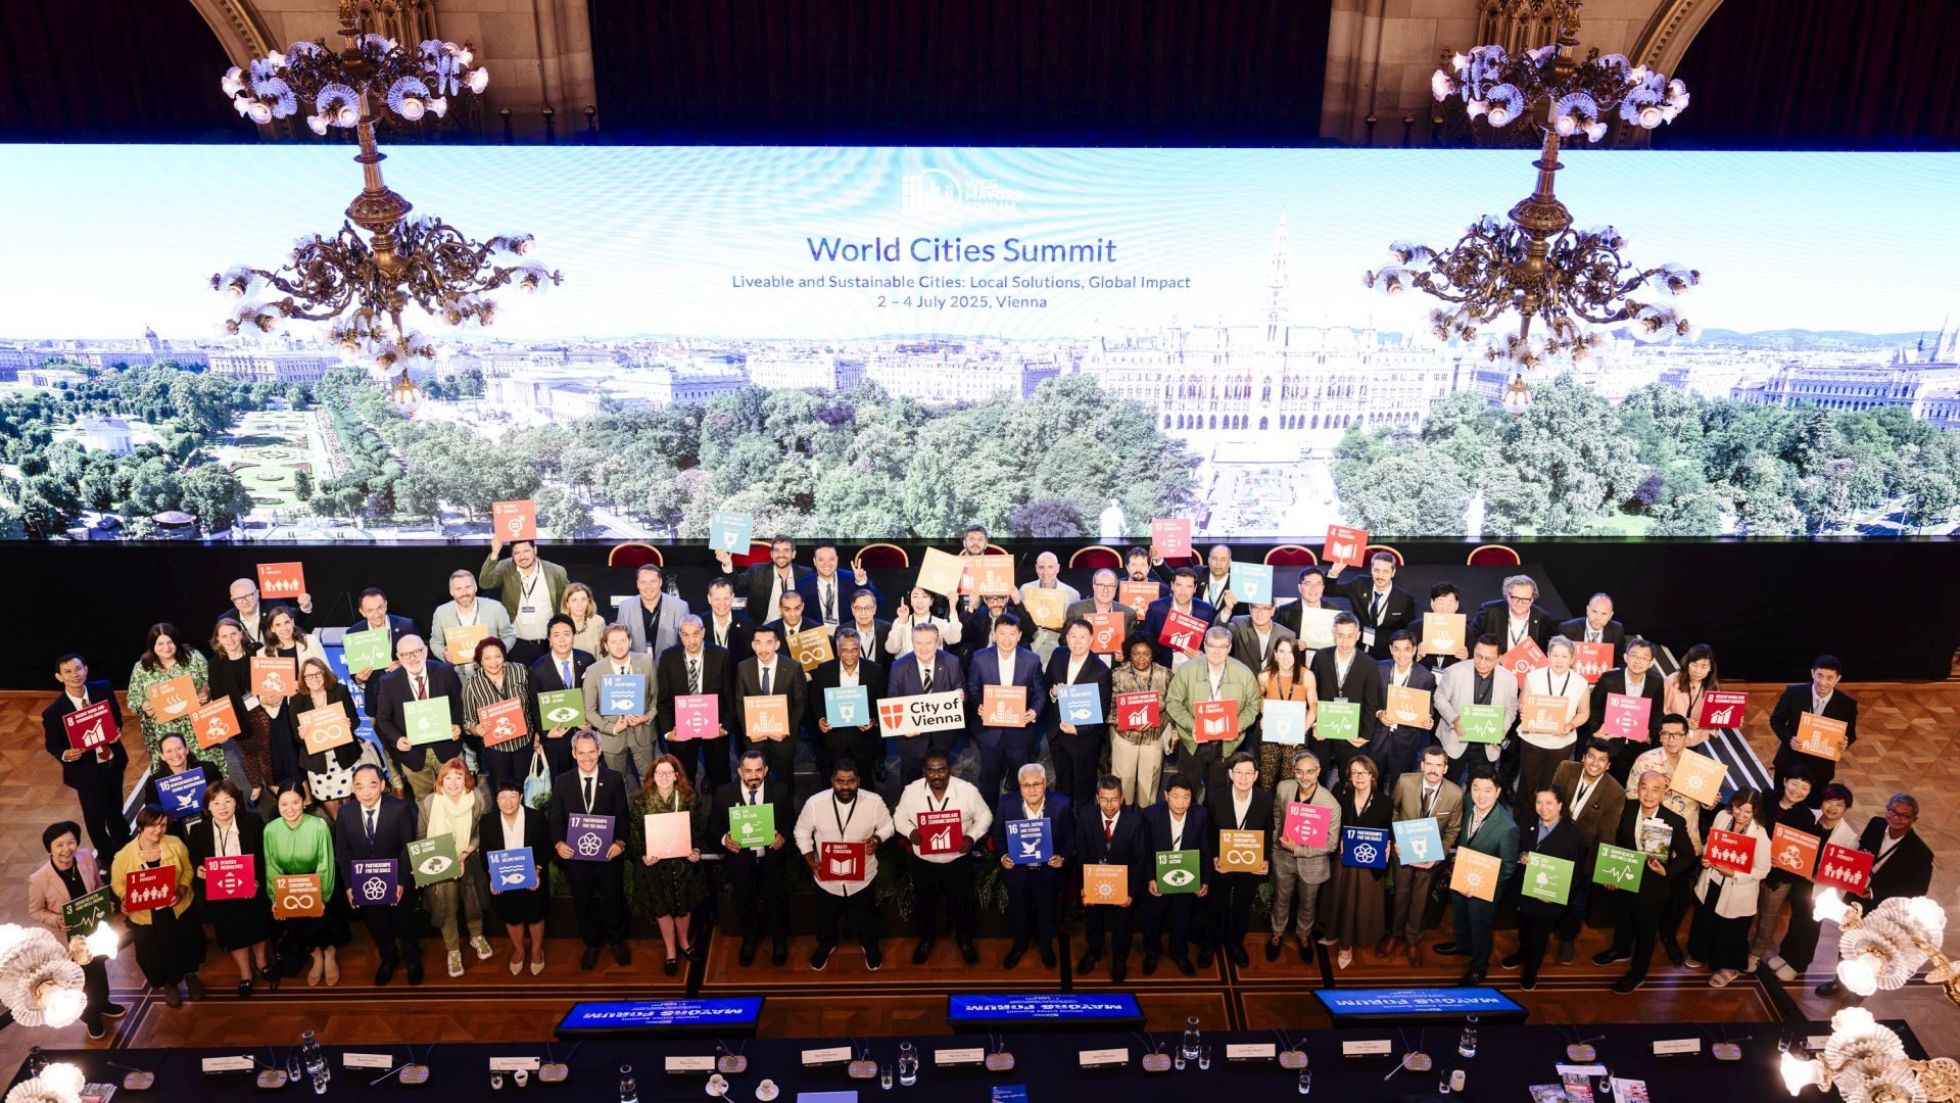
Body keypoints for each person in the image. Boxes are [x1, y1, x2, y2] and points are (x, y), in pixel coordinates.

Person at [1819, 792, 1936, 996]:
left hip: (1882, 911)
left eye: (1903, 816)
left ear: (1913, 819)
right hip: (1856, 899)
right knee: (1848, 942)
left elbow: (1917, 891)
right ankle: (1839, 980)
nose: (1895, 817)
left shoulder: (1920, 853)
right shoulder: (1876, 824)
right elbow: (1861, 849)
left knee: (1872, 953)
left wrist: (1874, 892)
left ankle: (1860, 992)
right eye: (1892, 811)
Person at [1593, 770, 1695, 993]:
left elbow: (1688, 855)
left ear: (1664, 792)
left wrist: (1667, 871)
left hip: (1652, 886)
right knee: (1623, 917)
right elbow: (1617, 842)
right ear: (1637, 788)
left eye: (1655, 789)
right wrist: (1611, 873)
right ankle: (1620, 950)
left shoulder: (1674, 821)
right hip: (1624, 876)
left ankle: (1638, 974)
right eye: (1644, 787)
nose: (1648, 794)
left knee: (1646, 931)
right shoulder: (1625, 809)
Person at [1628, 713, 1716, 961]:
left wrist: (1711, 800)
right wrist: (1657, 786)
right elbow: (1630, 794)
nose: (1671, 739)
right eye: (1666, 733)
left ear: (1686, 735)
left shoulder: (1699, 764)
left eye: (1677, 734)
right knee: (1643, 895)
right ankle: (1631, 940)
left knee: (1678, 898)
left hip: (1685, 841)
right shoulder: (1646, 760)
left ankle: (1668, 936)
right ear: (1660, 735)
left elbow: (1707, 803)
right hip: (1650, 838)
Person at [794, 759, 895, 971]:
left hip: (863, 876)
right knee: (826, 917)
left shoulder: (874, 801)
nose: (846, 787)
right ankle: (826, 944)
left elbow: (888, 826)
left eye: (851, 781)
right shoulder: (815, 803)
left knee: (866, 916)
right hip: (826, 878)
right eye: (840, 781)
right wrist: (811, 861)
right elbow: (801, 832)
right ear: (832, 781)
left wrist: (876, 839)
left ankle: (869, 945)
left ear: (858, 781)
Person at [28, 822, 126, 1038]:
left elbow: (99, 884)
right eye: (59, 845)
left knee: (99, 969)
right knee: (80, 977)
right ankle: (90, 1016)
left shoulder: (86, 857)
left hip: (94, 929)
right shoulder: (39, 879)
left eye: (71, 842)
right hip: (70, 938)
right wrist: (56, 920)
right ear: (49, 848)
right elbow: (35, 910)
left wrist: (105, 900)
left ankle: (103, 1003)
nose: (66, 849)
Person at [893, 749, 992, 965]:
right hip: (925, 862)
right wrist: (910, 832)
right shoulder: (912, 791)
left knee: (963, 903)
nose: (937, 775)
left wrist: (971, 836)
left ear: (949, 769)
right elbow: (899, 817)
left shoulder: (966, 790)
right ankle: (926, 940)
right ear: (924, 771)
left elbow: (985, 815)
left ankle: (965, 941)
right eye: (931, 770)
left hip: (957, 860)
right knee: (925, 903)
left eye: (942, 769)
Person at [335, 763, 423, 985]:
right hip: (364, 883)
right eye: (360, 787)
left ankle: (413, 959)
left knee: (405, 923)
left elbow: (407, 846)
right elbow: (343, 852)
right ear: (353, 789)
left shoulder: (400, 808)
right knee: (377, 925)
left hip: (397, 880)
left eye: (372, 785)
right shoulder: (345, 813)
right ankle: (388, 959)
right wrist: (349, 885)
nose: (366, 792)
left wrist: (402, 881)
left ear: (382, 785)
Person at [550, 731, 632, 970]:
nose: (587, 758)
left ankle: (617, 941)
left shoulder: (614, 778)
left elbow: (623, 817)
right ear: (574, 754)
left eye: (592, 752)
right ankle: (591, 944)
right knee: (583, 903)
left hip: (608, 854)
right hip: (576, 858)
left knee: (613, 899)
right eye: (582, 753)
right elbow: (555, 819)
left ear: (600, 752)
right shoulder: (562, 781)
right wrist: (558, 844)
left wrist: (620, 842)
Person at [1765, 783, 1858, 985]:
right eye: (1829, 802)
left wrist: (1821, 877)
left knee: (1811, 924)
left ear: (1846, 808)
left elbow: (1843, 871)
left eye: (1839, 805)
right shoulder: (1809, 816)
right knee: (1796, 917)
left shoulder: (1849, 837)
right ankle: (1785, 953)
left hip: (1821, 888)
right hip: (1798, 879)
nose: (1832, 808)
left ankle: (1799, 963)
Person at [111, 806, 204, 1007]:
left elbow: (188, 869)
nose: (158, 830)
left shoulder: (175, 843)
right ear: (141, 827)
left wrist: (180, 889)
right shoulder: (123, 856)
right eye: (152, 825)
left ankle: (190, 975)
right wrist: (125, 899)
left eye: (162, 825)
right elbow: (117, 884)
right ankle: (167, 984)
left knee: (186, 942)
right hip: (145, 915)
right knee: (153, 951)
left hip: (177, 907)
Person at [187, 779, 273, 997]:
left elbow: (265, 856)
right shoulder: (198, 831)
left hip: (251, 889)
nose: (223, 807)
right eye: (216, 803)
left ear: (237, 803)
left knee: (257, 924)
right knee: (232, 930)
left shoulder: (252, 822)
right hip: (220, 893)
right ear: (207, 807)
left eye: (228, 801)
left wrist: (259, 882)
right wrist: (199, 871)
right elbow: (195, 860)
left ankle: (262, 961)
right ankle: (246, 973)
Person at [42, 653, 130, 856]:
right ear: (59, 677)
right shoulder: (53, 712)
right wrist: (64, 754)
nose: (75, 675)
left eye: (78, 669)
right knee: (95, 819)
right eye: (68, 672)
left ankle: (126, 846)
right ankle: (107, 858)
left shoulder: (104, 688)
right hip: (85, 773)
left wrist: (116, 729)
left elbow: (115, 716)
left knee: (116, 810)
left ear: (86, 670)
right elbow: (52, 744)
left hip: (113, 762)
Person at [1438, 767, 1517, 985]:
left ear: (1498, 792)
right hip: (1461, 876)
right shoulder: (1468, 802)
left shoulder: (1507, 827)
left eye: (1488, 791)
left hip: (1484, 888)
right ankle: (1462, 944)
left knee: (1480, 926)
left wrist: (1481, 886)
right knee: (1460, 916)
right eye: (1476, 789)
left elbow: (1508, 867)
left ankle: (1479, 967)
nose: (1480, 795)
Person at [630, 753, 707, 976]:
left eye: (668, 772)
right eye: (659, 772)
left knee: (684, 906)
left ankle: (684, 943)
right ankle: (671, 951)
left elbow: (699, 830)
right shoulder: (640, 802)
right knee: (662, 909)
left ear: (676, 776)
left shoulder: (689, 798)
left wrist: (697, 851)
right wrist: (643, 855)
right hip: (656, 868)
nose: (663, 776)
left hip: (684, 865)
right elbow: (633, 837)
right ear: (652, 776)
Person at [1387, 744, 1463, 965]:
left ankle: (1412, 940)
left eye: (1438, 765)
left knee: (1419, 901)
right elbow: (1392, 810)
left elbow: (1453, 829)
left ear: (1445, 769)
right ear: (1421, 765)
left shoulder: (1455, 794)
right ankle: (1394, 935)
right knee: (1400, 896)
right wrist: (1396, 840)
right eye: (1428, 764)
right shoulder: (1405, 781)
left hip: (1430, 856)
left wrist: (1438, 855)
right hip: (1402, 851)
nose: (1433, 769)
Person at [1504, 786, 1586, 990]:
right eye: (1539, 802)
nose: (1543, 808)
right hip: (1523, 890)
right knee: (1523, 927)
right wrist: (1520, 856)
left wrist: (1558, 896)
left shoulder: (1573, 835)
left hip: (1548, 898)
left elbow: (1576, 873)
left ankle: (1531, 971)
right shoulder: (1526, 821)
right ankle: (1522, 954)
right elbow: (1516, 847)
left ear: (1560, 805)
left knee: (1539, 935)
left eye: (1549, 803)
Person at [1687, 788, 1771, 987]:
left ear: (1755, 812)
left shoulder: (1759, 834)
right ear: (1732, 804)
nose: (1741, 815)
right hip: (1713, 881)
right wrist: (1707, 858)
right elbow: (1711, 844)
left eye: (1747, 812)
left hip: (1736, 889)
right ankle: (1700, 953)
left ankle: (1729, 967)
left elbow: (1762, 870)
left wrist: (1734, 873)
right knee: (1705, 919)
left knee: (1730, 930)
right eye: (1738, 809)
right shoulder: (1722, 816)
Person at [994, 763, 1074, 969]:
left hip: (1048, 871)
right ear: (1019, 786)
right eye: (1025, 785)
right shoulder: (1007, 803)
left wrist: (1062, 857)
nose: (1031, 789)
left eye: (1036, 784)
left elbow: (1069, 837)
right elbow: (998, 835)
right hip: (1018, 871)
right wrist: (1003, 855)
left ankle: (1045, 947)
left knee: (1046, 910)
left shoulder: (1062, 803)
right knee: (1019, 911)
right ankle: (1019, 946)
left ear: (1045, 783)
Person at [1165, 626, 1262, 797]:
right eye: (1212, 646)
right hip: (1193, 741)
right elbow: (1173, 702)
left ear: (1230, 648)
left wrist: (1237, 725)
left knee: (1218, 794)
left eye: (1222, 647)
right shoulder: (1187, 670)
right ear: (1205, 645)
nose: (1217, 652)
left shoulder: (1243, 672)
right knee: (1187, 791)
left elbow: (1254, 704)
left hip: (1226, 744)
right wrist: (1192, 724)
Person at [715, 749, 791, 966]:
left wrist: (782, 837)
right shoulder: (724, 793)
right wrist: (724, 840)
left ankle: (778, 940)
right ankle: (748, 940)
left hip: (771, 859)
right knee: (745, 902)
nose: (753, 775)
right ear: (740, 771)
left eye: (758, 770)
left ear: (766, 770)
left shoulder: (781, 791)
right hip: (740, 862)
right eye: (748, 771)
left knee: (775, 901)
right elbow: (712, 827)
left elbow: (790, 821)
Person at [419, 758, 493, 978]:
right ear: (440, 780)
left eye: (458, 777)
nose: (453, 783)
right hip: (438, 863)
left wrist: (464, 854)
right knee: (446, 908)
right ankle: (453, 951)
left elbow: (481, 833)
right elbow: (422, 836)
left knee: (473, 902)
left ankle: (477, 936)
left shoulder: (477, 799)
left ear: (466, 779)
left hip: (467, 858)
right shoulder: (429, 803)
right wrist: (432, 864)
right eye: (448, 777)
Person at [1551, 739, 1625, 958]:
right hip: (1555, 841)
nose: (1595, 763)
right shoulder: (1566, 769)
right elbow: (1550, 800)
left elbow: (1607, 833)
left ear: (1608, 765)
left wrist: (1607, 868)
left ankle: (1567, 939)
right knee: (1546, 891)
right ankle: (1545, 928)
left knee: (1577, 902)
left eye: (1602, 760)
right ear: (1583, 757)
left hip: (1585, 853)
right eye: (1591, 757)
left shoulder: (1615, 792)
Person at [263, 786, 342, 987]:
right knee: (299, 926)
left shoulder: (319, 825)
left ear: (304, 802)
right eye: (284, 804)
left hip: (320, 880)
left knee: (324, 921)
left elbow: (326, 861)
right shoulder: (270, 830)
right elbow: (271, 864)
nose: (290, 809)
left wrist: (320, 896)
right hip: (288, 884)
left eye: (295, 802)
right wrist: (276, 898)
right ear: (278, 805)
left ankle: (329, 953)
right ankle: (316, 956)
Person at [371, 634, 464, 802]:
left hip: (448, 747)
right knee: (424, 801)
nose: (412, 658)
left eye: (416, 652)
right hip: (413, 754)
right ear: (398, 657)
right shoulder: (388, 682)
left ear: (425, 651)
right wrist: (397, 739)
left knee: (458, 797)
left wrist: (457, 725)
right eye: (405, 654)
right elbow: (383, 718)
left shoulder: (445, 672)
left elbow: (458, 703)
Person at [1270, 748, 1340, 963]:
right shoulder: (1284, 788)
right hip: (1283, 858)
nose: (1304, 776)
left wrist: (1298, 850)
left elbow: (1331, 843)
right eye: (1299, 771)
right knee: (1281, 899)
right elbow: (1277, 817)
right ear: (1294, 771)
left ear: (1318, 771)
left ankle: (1303, 936)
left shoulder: (1330, 804)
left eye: (1310, 771)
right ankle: (1276, 934)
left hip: (1313, 863)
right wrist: (1277, 843)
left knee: (1308, 904)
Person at [1203, 752, 1272, 968]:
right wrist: (1214, 857)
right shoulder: (1215, 797)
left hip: (1249, 864)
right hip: (1222, 863)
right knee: (1216, 904)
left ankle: (1235, 944)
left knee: (1242, 905)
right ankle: (1210, 944)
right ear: (1231, 774)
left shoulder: (1264, 799)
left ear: (1256, 775)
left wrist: (1265, 859)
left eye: (1248, 773)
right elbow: (1208, 832)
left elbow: (1268, 831)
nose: (1243, 778)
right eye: (1239, 772)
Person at [967, 613, 1046, 800]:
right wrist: (979, 705)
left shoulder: (1032, 660)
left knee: (1021, 781)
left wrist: (1034, 711)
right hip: (989, 731)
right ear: (994, 634)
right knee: (989, 779)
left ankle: (1018, 818)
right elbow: (972, 688)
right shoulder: (980, 658)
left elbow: (1040, 692)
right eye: (1002, 633)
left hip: (1020, 732)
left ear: (1019, 636)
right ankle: (989, 819)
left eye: (1012, 634)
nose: (1007, 639)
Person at [1076, 774, 1146, 982]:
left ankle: (1119, 960)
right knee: (1094, 922)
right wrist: (1083, 887)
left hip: (1122, 887)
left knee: (1122, 925)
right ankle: (1093, 952)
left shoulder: (1135, 821)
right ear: (1097, 798)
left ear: (1122, 798)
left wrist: (1131, 893)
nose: (1109, 805)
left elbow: (1139, 859)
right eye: (1104, 799)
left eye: (1114, 799)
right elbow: (1081, 853)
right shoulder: (1085, 816)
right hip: (1094, 884)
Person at [1140, 776, 1213, 976]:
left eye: (1186, 797)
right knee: (1153, 919)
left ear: (1192, 798)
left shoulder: (1200, 815)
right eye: (1176, 797)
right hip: (1158, 878)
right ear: (1166, 796)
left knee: (1182, 918)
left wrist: (1205, 880)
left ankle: (1180, 953)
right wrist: (1150, 878)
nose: (1181, 802)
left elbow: (1206, 849)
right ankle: (1152, 953)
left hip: (1187, 878)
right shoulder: (1150, 815)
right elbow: (1144, 851)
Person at [656, 615, 736, 792]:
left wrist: (725, 728)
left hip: (714, 729)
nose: (691, 640)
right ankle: (688, 816)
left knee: (721, 778)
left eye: (696, 634)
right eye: (686, 635)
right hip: (681, 731)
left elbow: (730, 697)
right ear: (680, 635)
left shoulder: (720, 655)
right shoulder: (668, 657)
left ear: (703, 632)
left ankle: (720, 816)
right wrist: (669, 733)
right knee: (683, 781)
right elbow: (663, 701)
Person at [1748, 768, 1815, 977]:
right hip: (1751, 866)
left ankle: (1755, 954)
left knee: (1768, 917)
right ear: (1785, 781)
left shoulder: (1806, 816)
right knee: (1744, 909)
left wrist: (1784, 863)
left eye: (1805, 787)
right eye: (1795, 783)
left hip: (1779, 876)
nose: (1798, 790)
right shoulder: (1767, 797)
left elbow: (1802, 852)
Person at [480, 777, 550, 976]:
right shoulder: (487, 822)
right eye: (503, 797)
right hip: (504, 880)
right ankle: (519, 950)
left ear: (521, 797)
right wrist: (492, 876)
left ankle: (536, 950)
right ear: (496, 799)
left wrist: (537, 870)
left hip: (532, 879)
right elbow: (485, 853)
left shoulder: (536, 818)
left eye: (513, 796)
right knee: (511, 917)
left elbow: (546, 848)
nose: (508, 802)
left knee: (535, 916)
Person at [128, 622, 217, 777]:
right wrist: (143, 705)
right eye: (160, 643)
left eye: (170, 642)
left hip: (198, 727)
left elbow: (213, 681)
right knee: (175, 780)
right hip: (164, 733)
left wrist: (206, 692)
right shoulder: (142, 667)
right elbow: (132, 700)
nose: (166, 647)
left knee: (207, 772)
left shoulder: (193, 657)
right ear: (152, 645)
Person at [1327, 754, 1390, 970]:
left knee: (1359, 899)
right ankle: (1335, 934)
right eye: (1354, 773)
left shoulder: (1384, 802)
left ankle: (1347, 946)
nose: (1358, 777)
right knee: (1338, 898)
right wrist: (1338, 841)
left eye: (1363, 772)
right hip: (1343, 859)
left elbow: (1387, 832)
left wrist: (1389, 844)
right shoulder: (1340, 794)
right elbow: (1332, 824)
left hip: (1368, 863)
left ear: (1372, 775)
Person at [1517, 636, 1591, 813]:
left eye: (1564, 656)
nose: (1559, 660)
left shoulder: (1580, 682)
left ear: (1572, 659)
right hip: (1532, 739)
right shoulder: (1533, 676)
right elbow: (1521, 703)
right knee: (1527, 784)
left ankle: (1544, 820)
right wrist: (1524, 711)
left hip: (1561, 742)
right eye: (1555, 655)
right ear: (1548, 655)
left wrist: (1571, 725)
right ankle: (1521, 821)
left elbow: (1584, 712)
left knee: (1551, 785)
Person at [1770, 655, 1858, 804]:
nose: (1823, 682)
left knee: (1809, 811)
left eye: (1829, 678)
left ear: (1838, 679)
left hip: (1820, 770)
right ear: (1812, 673)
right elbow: (1776, 721)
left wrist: (1845, 743)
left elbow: (1850, 734)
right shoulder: (1793, 692)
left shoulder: (1847, 704)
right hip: (1789, 762)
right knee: (1778, 804)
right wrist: (1790, 739)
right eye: (1819, 676)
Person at [1045, 619, 1113, 808]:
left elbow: (1103, 709)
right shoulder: (1058, 655)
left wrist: (1078, 729)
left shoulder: (1100, 670)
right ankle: (1064, 827)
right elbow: (1045, 682)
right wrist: (1052, 693)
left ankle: (1084, 831)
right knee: (1062, 787)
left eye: (1083, 637)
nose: (1077, 642)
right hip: (1057, 734)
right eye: (1073, 636)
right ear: (1066, 637)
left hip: (1083, 739)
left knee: (1083, 790)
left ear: (1092, 639)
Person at [886, 623, 965, 785]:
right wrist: (902, 728)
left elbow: (961, 688)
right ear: (912, 642)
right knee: (910, 782)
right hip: (911, 740)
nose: (923, 648)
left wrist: (961, 695)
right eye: (918, 643)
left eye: (928, 643)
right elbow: (892, 701)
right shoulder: (898, 666)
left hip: (943, 737)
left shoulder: (952, 662)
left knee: (941, 781)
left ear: (937, 643)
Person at [1309, 614, 1384, 783]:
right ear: (1333, 634)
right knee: (1317, 775)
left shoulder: (1369, 664)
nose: (1345, 642)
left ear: (1358, 635)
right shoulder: (1321, 657)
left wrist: (1365, 735)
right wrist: (1314, 724)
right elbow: (1312, 695)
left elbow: (1371, 702)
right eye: (1340, 636)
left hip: (1352, 732)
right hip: (1323, 728)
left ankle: (1343, 808)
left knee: (1348, 778)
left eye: (1350, 636)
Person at [1434, 635, 1518, 784]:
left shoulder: (1509, 678)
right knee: (1448, 785)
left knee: (1480, 788)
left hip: (1487, 746)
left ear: (1499, 658)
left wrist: (1503, 728)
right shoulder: (1454, 671)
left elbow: (1511, 708)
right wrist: (1454, 719)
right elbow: (1439, 698)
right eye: (1478, 656)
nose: (1482, 663)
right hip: (1455, 739)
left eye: (1489, 659)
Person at [284, 658, 362, 818]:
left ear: (325, 673)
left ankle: (346, 821)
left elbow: (355, 720)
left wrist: (349, 724)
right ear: (303, 679)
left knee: (345, 793)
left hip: (343, 754)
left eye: (318, 674)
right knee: (328, 796)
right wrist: (301, 735)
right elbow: (295, 736)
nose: (314, 679)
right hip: (318, 759)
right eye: (309, 676)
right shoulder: (297, 700)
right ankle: (338, 823)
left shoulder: (340, 691)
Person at [478, 535, 570, 666]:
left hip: (548, 644)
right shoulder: (506, 567)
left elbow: (568, 601)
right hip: (518, 645)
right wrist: (494, 553)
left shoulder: (555, 572)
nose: (522, 557)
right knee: (520, 683)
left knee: (549, 685)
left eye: (526, 551)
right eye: (517, 553)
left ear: (535, 550)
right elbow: (485, 583)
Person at [582, 624, 657, 784]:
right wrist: (613, 728)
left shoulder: (646, 663)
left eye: (623, 640)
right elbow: (589, 711)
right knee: (616, 782)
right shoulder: (594, 671)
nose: (619, 646)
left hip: (642, 733)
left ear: (630, 641)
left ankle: (648, 809)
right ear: (605, 645)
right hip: (611, 737)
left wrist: (646, 717)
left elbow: (656, 698)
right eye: (614, 641)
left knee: (649, 779)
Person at [811, 626, 887, 784]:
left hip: (864, 738)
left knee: (865, 781)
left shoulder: (875, 670)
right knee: (832, 781)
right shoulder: (824, 670)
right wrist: (820, 719)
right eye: (845, 650)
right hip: (833, 738)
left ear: (859, 649)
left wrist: (873, 721)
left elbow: (881, 701)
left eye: (854, 649)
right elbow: (815, 699)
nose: (850, 654)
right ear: (837, 651)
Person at [204, 617, 268, 801]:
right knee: (247, 754)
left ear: (241, 633)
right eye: (224, 636)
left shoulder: (257, 652)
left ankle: (272, 783)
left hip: (263, 709)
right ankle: (256, 786)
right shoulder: (215, 664)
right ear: (218, 640)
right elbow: (218, 696)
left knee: (266, 751)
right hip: (236, 714)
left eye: (233, 633)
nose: (230, 639)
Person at [1583, 636, 1664, 780]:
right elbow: (1594, 707)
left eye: (1644, 658)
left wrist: (1650, 733)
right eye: (1634, 655)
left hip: (1637, 747)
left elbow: (1657, 713)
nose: (1638, 661)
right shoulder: (1609, 678)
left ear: (1651, 662)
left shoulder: (1656, 682)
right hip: (1608, 744)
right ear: (1626, 657)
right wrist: (1597, 731)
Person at [733, 625, 805, 786]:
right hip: (755, 738)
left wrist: (786, 730)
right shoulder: (743, 668)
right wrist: (748, 731)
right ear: (753, 645)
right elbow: (739, 702)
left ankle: (786, 810)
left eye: (768, 643)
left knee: (785, 780)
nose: (763, 648)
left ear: (777, 644)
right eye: (758, 643)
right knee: (755, 782)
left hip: (783, 738)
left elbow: (800, 704)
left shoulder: (793, 667)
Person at [462, 636, 535, 791]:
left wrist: (538, 734)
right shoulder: (473, 685)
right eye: (487, 658)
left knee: (526, 788)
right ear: (480, 661)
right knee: (502, 790)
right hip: (496, 750)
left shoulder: (520, 671)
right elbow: (467, 720)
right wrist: (476, 730)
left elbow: (534, 703)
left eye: (498, 656)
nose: (494, 662)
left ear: (504, 656)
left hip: (524, 743)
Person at [529, 613, 597, 779]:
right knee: (560, 782)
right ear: (549, 639)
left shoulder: (587, 660)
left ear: (573, 636)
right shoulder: (537, 669)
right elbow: (534, 705)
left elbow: (597, 694)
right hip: (556, 736)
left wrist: (591, 719)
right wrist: (545, 732)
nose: (562, 640)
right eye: (556, 635)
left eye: (567, 634)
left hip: (584, 734)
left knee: (588, 777)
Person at [1110, 637, 1171, 806]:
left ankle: (1147, 820)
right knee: (1123, 782)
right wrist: (1128, 722)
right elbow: (1108, 708)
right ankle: (1125, 819)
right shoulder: (1117, 675)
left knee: (1148, 786)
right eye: (1135, 653)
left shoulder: (1165, 674)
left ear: (1152, 655)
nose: (1141, 658)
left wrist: (1157, 720)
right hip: (1124, 737)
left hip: (1153, 738)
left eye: (1146, 654)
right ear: (1129, 654)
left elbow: (1172, 707)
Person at [1373, 630, 1437, 782]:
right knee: (1374, 780)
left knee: (1399, 783)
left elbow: (1428, 707)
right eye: (1397, 649)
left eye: (1407, 649)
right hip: (1378, 736)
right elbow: (1370, 700)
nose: (1401, 655)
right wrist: (1379, 713)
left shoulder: (1425, 677)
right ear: (1391, 649)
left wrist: (1428, 719)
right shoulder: (1378, 669)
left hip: (1406, 740)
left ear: (1414, 650)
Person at [1326, 551, 1416, 659]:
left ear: (1393, 573)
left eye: (1385, 572)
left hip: (1386, 656)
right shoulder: (1359, 584)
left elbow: (1408, 633)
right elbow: (1329, 591)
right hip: (1357, 651)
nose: (1380, 576)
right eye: (1376, 570)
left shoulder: (1405, 600)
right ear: (1371, 570)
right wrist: (1334, 571)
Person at [345, 588, 417, 722]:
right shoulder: (354, 633)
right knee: (386, 742)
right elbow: (352, 668)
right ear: (361, 611)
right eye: (370, 610)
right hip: (377, 703)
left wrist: (404, 663)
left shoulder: (406, 625)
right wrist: (359, 679)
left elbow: (422, 656)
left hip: (409, 697)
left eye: (379, 608)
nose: (376, 614)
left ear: (386, 605)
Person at [1258, 636, 1317, 791]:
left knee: (1289, 783)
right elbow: (1259, 699)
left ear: (1297, 655)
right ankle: (1266, 814)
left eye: (1291, 652)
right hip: (1271, 733)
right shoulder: (1264, 676)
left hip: (1296, 735)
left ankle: (1285, 814)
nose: (1286, 657)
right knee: (1266, 781)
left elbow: (1314, 706)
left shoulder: (1307, 675)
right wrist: (1264, 715)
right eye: (1282, 652)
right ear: (1275, 654)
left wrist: (1301, 731)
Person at [429, 568, 516, 670]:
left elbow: (509, 635)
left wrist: (497, 653)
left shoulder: (495, 608)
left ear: (475, 587)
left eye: (468, 587)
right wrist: (444, 654)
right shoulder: (441, 612)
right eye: (458, 589)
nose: (464, 592)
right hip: (458, 674)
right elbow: (435, 642)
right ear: (451, 591)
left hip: (491, 670)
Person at [718, 534, 811, 625]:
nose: (781, 555)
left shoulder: (805, 573)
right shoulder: (757, 571)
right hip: (765, 630)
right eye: (777, 550)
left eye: (786, 550)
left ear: (793, 554)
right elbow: (735, 583)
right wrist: (727, 564)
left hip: (796, 631)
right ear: (771, 554)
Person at [1141, 568, 1216, 669]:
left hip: (1195, 668)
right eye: (1179, 585)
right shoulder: (1156, 608)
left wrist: (1202, 656)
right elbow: (1145, 641)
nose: (1183, 592)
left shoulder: (1207, 610)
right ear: (1172, 586)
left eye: (1188, 587)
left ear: (1195, 588)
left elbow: (1214, 643)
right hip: (1164, 669)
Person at [615, 563, 690, 659]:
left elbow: (685, 643)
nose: (648, 586)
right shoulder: (625, 607)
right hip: (636, 667)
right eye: (643, 582)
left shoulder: (680, 607)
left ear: (660, 582)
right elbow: (620, 641)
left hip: (669, 667)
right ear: (637, 584)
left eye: (653, 581)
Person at [799, 544, 882, 630]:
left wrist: (861, 583)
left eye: (831, 559)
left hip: (849, 636)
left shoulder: (852, 578)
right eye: (821, 559)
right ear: (814, 561)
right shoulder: (803, 585)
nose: (827, 564)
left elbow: (879, 603)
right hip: (818, 638)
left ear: (837, 560)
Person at [143, 732, 207, 842]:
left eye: (179, 748)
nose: (175, 754)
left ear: (186, 749)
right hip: (175, 833)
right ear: (162, 756)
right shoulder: (154, 782)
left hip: (209, 824)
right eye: (169, 751)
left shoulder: (207, 769)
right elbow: (152, 813)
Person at [1020, 551, 1082, 661]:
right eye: (1041, 567)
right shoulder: (1025, 590)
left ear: (1057, 568)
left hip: (1058, 653)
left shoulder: (1073, 595)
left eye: (1050, 567)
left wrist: (1059, 626)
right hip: (1030, 651)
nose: (1045, 572)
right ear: (1036, 568)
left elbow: (1076, 631)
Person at [220, 576, 313, 649]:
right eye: (238, 598)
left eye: (248, 595)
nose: (244, 601)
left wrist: (305, 607)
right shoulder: (226, 620)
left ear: (257, 593)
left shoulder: (273, 605)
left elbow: (294, 617)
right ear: (232, 600)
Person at [1274, 567, 1353, 653]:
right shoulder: (1285, 611)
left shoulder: (1335, 612)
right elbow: (1275, 639)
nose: (1313, 588)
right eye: (1308, 584)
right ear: (1300, 587)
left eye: (1318, 584)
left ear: (1323, 588)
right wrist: (1292, 645)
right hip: (1297, 662)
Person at [1065, 569, 1141, 655]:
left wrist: (1125, 654)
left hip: (1116, 666)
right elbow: (1064, 640)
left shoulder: (1128, 613)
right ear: (1093, 586)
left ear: (1116, 588)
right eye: (1101, 585)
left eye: (1111, 585)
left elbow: (1133, 647)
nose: (1106, 590)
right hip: (1085, 663)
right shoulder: (1076, 610)